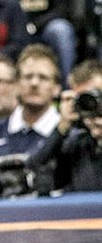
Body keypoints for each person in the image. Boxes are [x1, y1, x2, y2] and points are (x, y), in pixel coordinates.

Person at [0, 44, 62, 160]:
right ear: (16, 84)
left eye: (43, 78)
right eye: (28, 77)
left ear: (57, 88)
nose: (34, 83)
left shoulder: (69, 136)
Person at [27, 59, 102, 192]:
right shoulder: (78, 143)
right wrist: (62, 126)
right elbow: (35, 166)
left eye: (96, 95)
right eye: (83, 99)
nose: (91, 103)